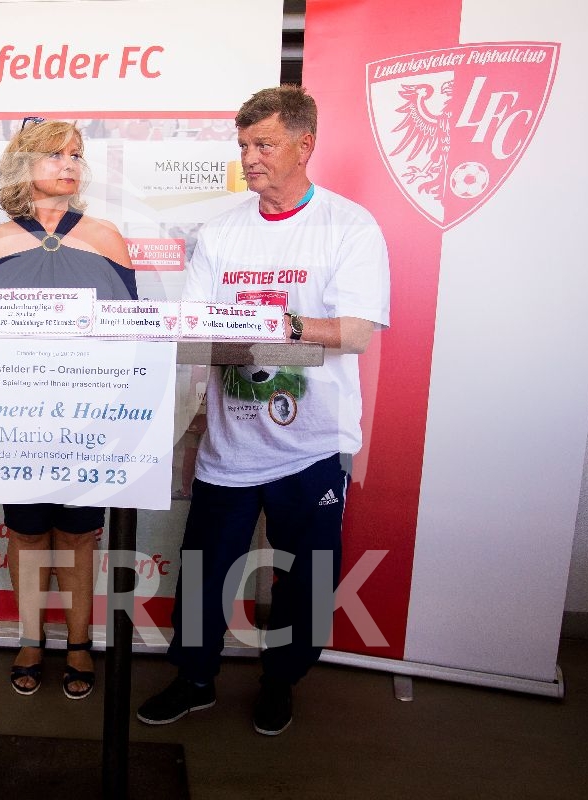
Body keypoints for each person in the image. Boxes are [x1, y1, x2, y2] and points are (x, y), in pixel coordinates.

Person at [136, 85, 390, 735]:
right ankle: (194, 678)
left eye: (264, 144)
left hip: (313, 444)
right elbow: (196, 328)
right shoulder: (222, 232)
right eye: (244, 144)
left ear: (305, 145)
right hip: (231, 444)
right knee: (205, 572)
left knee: (305, 579)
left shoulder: (349, 226)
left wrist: (275, 324)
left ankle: (281, 682)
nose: (249, 157)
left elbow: (357, 332)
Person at [0, 118, 136, 701]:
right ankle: (31, 639)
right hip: (17, 423)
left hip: (90, 420)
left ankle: (80, 643)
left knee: (80, 536)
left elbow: (131, 337)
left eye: (76, 155)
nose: (69, 164)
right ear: (22, 165)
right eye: (54, 154)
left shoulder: (108, 237)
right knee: (27, 533)